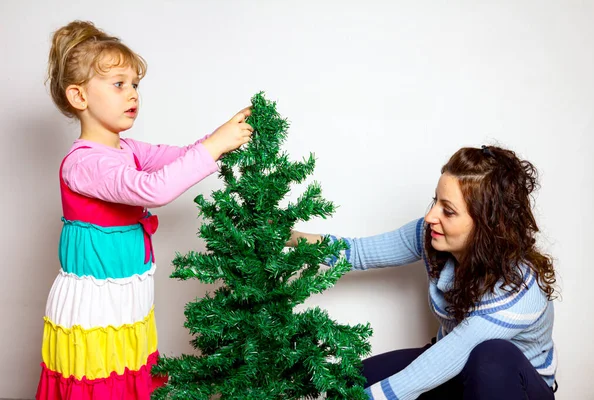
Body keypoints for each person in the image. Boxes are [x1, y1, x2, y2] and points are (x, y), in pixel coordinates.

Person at [37, 20, 253, 399]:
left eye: (135, 84)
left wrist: (221, 136)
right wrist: (216, 145)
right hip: (94, 312)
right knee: (101, 383)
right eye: (118, 84)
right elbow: (154, 187)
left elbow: (182, 157)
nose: (132, 94)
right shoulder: (85, 163)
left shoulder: (126, 149)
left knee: (131, 378)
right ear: (79, 96)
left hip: (126, 303)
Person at [288, 145, 558, 400]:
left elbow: (450, 355)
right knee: (352, 381)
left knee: (491, 357)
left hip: (513, 386)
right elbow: (357, 252)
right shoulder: (432, 234)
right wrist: (286, 235)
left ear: (487, 225)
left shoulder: (519, 288)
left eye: (448, 211)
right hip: (456, 368)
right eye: (435, 201)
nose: (431, 217)